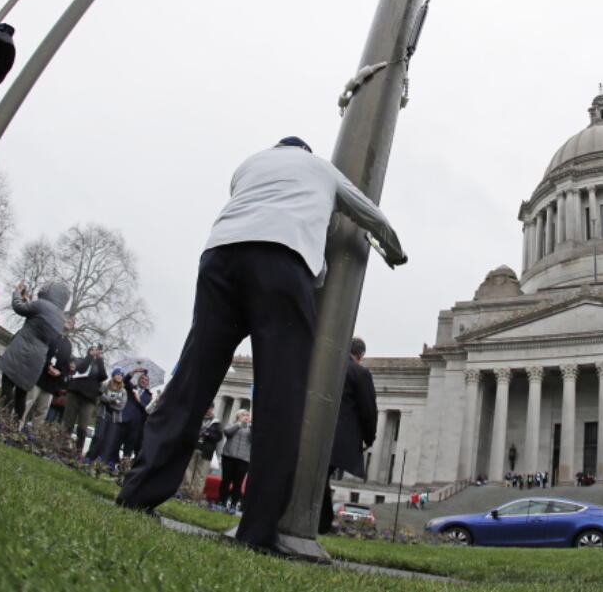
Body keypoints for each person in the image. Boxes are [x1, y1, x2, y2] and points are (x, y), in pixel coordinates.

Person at [117, 135, 406, 553]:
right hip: (283, 264)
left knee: (191, 383)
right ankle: (257, 528)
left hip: (220, 256)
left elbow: (244, 200)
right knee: (280, 397)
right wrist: (393, 249)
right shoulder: (322, 169)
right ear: (306, 152)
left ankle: (138, 493)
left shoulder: (249, 164)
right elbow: (369, 213)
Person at [319, 336, 378, 534]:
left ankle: (324, 522)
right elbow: (368, 410)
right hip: (337, 435)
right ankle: (324, 523)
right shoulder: (359, 372)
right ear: (360, 355)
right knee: (320, 476)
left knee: (319, 475)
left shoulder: (325, 364)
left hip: (314, 427)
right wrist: (369, 438)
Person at [0, 281, 70, 420]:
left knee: (7, 385)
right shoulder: (61, 318)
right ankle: (14, 426)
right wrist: (29, 302)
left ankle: (0, 417)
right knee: (21, 394)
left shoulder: (41, 304)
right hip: (37, 357)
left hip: (21, 348)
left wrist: (17, 293)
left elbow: (18, 307)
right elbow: (39, 318)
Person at [23, 318, 74, 426]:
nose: (68, 323)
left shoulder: (68, 345)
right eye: (67, 320)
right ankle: (14, 427)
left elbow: (66, 366)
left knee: (42, 411)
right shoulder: (51, 335)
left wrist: (59, 372)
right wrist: (48, 365)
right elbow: (41, 351)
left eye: (71, 323)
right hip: (39, 377)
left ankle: (32, 436)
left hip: (51, 384)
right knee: (27, 403)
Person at [63, 345, 107, 453]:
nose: (95, 351)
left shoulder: (99, 365)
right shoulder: (81, 360)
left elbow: (103, 376)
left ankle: (77, 451)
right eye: (92, 350)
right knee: (68, 422)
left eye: (96, 350)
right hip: (75, 394)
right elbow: (81, 369)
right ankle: (62, 445)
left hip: (89, 399)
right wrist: (90, 357)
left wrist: (100, 359)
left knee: (83, 426)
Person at [183, 404, 223, 499]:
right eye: (206, 408)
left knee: (201, 474)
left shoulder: (216, 423)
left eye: (209, 408)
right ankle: (184, 491)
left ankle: (195, 494)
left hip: (206, 451)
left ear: (212, 409)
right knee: (189, 471)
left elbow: (219, 437)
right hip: (194, 447)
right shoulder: (198, 418)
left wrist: (209, 434)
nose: (207, 410)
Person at [114, 368, 154, 461]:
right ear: (138, 380)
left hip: (136, 425)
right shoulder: (131, 387)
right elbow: (125, 380)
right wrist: (135, 371)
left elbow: (146, 410)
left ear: (148, 383)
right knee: (116, 444)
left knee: (128, 448)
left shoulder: (149, 396)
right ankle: (111, 464)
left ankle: (123, 467)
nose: (144, 381)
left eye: (146, 380)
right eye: (142, 379)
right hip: (124, 420)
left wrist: (138, 400)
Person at [220, 410, 252, 515]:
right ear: (238, 416)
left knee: (238, 483)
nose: (246, 417)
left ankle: (233, 504)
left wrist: (251, 426)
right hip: (229, 456)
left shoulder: (250, 428)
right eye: (243, 415)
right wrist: (239, 424)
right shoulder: (233, 424)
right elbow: (227, 432)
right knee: (226, 481)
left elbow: (253, 439)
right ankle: (222, 502)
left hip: (243, 459)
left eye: (247, 415)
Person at [94, 370, 128, 465]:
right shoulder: (106, 386)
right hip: (103, 414)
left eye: (121, 375)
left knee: (109, 441)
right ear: (113, 375)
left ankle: (101, 463)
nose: (119, 376)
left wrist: (108, 401)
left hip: (114, 418)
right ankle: (90, 458)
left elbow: (121, 405)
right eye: (118, 374)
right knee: (98, 437)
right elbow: (101, 397)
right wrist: (113, 401)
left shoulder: (123, 391)